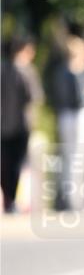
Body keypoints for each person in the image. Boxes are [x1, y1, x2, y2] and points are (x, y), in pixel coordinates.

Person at [50, 35, 84, 210]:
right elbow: (80, 98)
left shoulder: (61, 71)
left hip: (65, 117)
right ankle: (75, 200)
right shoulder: (77, 72)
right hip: (79, 117)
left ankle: (69, 198)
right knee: (79, 158)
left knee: (70, 157)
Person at [1, 35, 43, 213]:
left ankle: (9, 199)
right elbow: (35, 97)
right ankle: (11, 200)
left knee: (5, 163)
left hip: (3, 125)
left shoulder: (2, 70)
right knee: (17, 163)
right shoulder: (26, 71)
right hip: (20, 125)